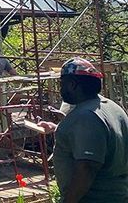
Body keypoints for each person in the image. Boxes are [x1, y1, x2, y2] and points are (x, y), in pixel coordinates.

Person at [38, 57, 128, 202]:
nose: (60, 89)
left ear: (73, 85)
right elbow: (102, 139)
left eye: (62, 84)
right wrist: (57, 128)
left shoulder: (86, 117)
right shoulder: (113, 108)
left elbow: (87, 167)